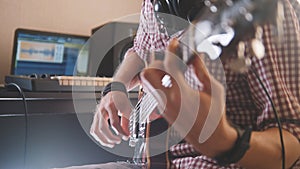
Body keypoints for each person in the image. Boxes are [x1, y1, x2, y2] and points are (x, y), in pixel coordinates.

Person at [57, 0, 300, 168]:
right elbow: (141, 48)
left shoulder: (250, 9)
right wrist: (116, 87)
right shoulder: (153, 4)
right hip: (146, 162)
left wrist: (225, 141)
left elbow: (292, 142)